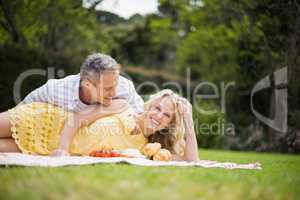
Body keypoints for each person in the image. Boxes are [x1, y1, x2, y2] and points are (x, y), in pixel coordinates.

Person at [0, 52, 144, 156]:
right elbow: (22, 112)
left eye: (115, 85)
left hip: (53, 141)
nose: (113, 92)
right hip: (41, 121)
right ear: (88, 84)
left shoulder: (125, 88)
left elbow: (141, 115)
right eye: (107, 89)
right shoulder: (55, 90)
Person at [0, 90, 199, 162]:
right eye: (157, 108)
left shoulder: (146, 150)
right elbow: (77, 118)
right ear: (149, 105)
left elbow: (191, 159)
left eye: (166, 115)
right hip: (47, 121)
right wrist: (62, 149)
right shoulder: (123, 107)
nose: (159, 116)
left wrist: (188, 119)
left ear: (168, 124)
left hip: (47, 148)